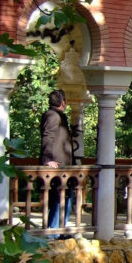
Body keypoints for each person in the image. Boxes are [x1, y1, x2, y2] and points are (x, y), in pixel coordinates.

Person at [40, 88, 75, 234]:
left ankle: (58, 230)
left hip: (63, 166)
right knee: (60, 199)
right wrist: (48, 160)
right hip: (57, 166)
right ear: (63, 102)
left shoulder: (56, 116)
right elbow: (48, 137)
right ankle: (54, 231)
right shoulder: (53, 117)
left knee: (63, 197)